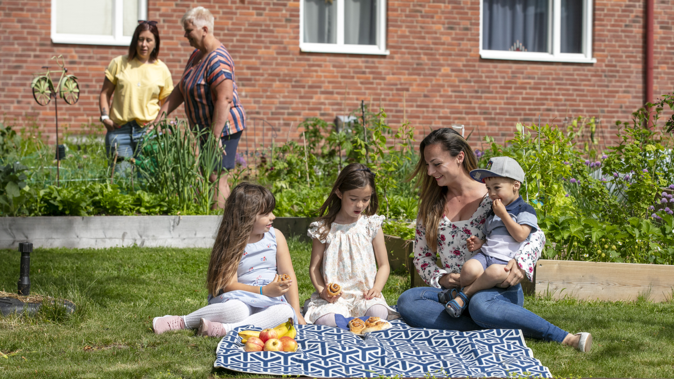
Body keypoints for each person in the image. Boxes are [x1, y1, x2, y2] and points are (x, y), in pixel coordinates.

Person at [396, 128, 592, 353]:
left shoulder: (494, 193)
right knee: (408, 300)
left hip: (496, 289)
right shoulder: (431, 205)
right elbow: (422, 257)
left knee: (480, 305)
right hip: (454, 290)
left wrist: (521, 263)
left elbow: (536, 234)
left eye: (436, 164)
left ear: (459, 157)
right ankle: (493, 323)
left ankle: (560, 336)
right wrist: (442, 278)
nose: (430, 171)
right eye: (427, 165)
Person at [152, 183, 306, 337]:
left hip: (271, 300)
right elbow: (229, 285)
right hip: (240, 296)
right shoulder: (234, 242)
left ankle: (225, 329)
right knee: (237, 310)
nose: (273, 217)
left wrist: (296, 310)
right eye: (265, 213)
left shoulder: (276, 236)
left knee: (286, 312)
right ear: (247, 215)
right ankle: (182, 321)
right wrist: (263, 290)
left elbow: (288, 274)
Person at [153, 6, 246, 208]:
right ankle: (228, 222)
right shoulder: (197, 55)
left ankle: (218, 228)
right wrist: (162, 114)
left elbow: (225, 99)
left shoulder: (217, 59)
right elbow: (182, 88)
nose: (185, 35)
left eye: (189, 31)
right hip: (206, 129)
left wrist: (215, 137)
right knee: (210, 175)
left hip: (223, 128)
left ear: (204, 29)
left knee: (216, 175)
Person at [442, 156, 539, 318]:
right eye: (488, 188)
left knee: (494, 272)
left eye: (497, 187)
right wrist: (480, 243)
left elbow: (521, 235)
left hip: (504, 264)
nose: (492, 193)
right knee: (468, 269)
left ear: (516, 185)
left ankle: (462, 296)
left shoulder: (525, 209)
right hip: (485, 256)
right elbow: (494, 237)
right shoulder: (493, 210)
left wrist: (504, 215)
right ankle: (461, 295)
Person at [303, 163, 396, 326]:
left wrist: (377, 289)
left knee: (378, 312)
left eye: (366, 199)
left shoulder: (371, 225)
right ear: (339, 192)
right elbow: (314, 268)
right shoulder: (324, 228)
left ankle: (350, 323)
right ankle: (344, 321)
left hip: (364, 297)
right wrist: (322, 292)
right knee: (327, 320)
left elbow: (384, 265)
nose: (360, 205)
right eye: (353, 199)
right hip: (335, 300)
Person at [99, 20, 173, 174]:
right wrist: (105, 117)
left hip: (149, 133)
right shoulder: (119, 63)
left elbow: (167, 104)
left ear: (155, 43)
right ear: (135, 41)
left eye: (149, 40)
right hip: (119, 132)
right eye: (140, 39)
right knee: (121, 182)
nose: (144, 44)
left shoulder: (162, 69)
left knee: (148, 181)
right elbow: (105, 93)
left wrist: (157, 124)